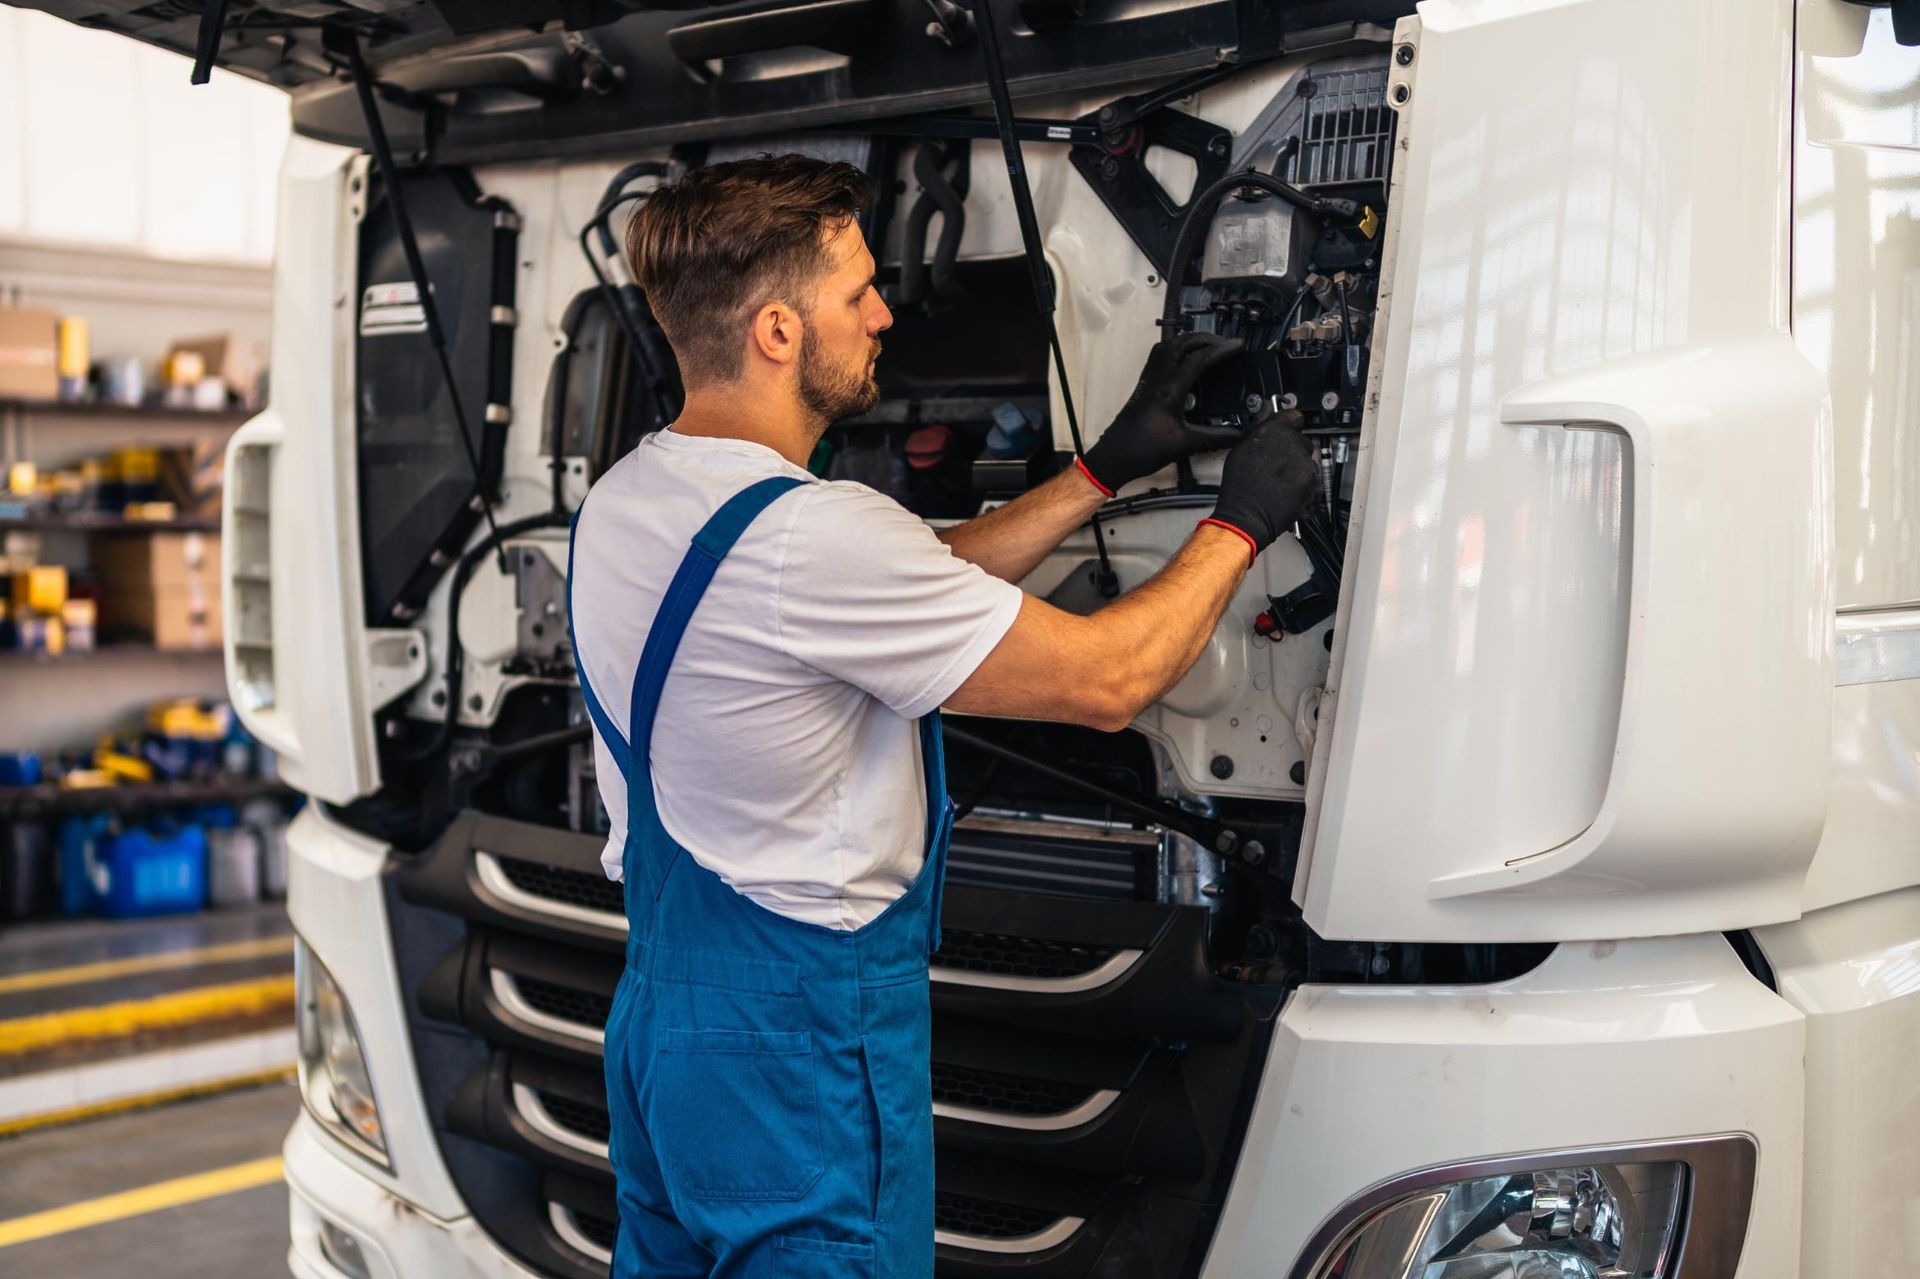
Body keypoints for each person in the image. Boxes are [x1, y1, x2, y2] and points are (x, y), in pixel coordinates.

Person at [567, 153, 1316, 1278]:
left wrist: (1098, 475)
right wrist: (1244, 521)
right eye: (857, 291)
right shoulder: (813, 539)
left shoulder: (632, 497)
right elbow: (1109, 677)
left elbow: (911, 581)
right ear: (777, 331)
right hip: (801, 1052)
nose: (881, 315)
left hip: (666, 1030)